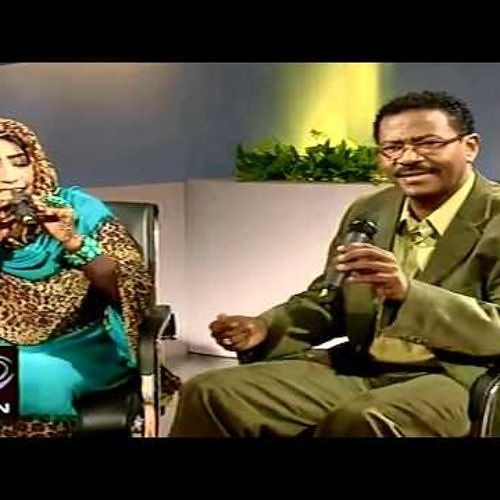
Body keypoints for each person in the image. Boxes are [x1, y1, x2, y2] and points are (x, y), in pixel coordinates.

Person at [170, 89, 500, 437]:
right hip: (362, 365)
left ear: (470, 146)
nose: (408, 158)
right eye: (392, 148)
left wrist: (408, 295)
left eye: (428, 143)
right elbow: (328, 299)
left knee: (363, 420)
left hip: (458, 375)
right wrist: (264, 328)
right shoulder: (371, 209)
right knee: (210, 392)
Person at [0, 117, 153, 437]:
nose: (9, 176)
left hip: (77, 345)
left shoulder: (78, 210)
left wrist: (74, 243)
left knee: (25, 379)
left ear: (36, 165)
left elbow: (132, 288)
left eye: (19, 162)